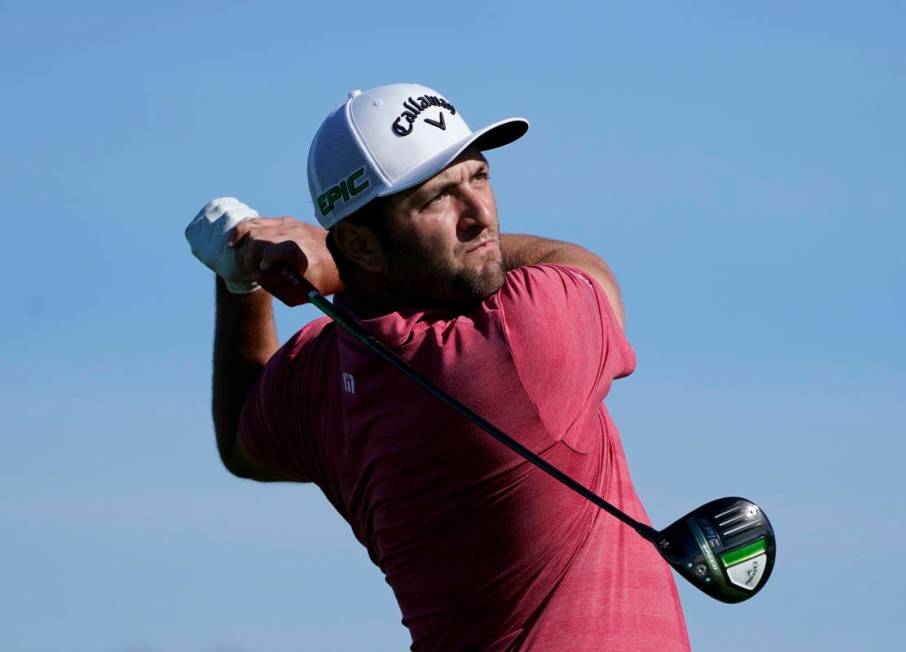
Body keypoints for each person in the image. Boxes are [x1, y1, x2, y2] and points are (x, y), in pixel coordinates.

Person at [186, 83, 690, 650]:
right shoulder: (519, 341)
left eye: (480, 176)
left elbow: (240, 440)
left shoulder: (320, 374)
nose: (480, 216)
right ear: (362, 246)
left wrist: (238, 279)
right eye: (437, 199)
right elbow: (586, 269)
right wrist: (332, 262)